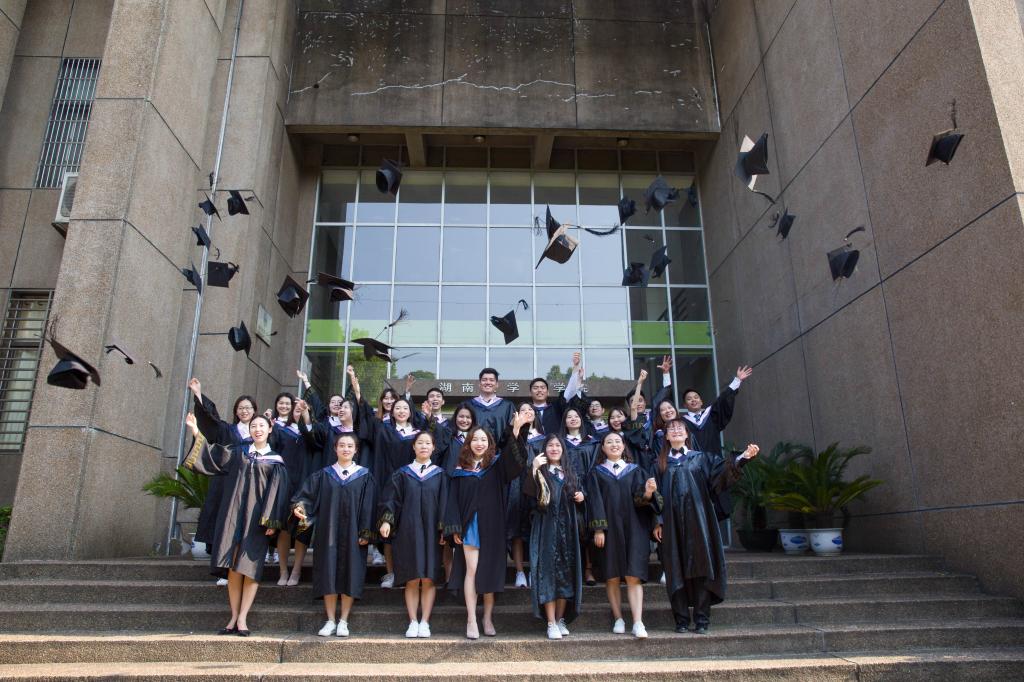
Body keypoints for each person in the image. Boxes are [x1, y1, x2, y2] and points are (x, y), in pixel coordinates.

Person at [182, 412, 290, 636]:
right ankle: (233, 616)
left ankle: (243, 618)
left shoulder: (275, 461)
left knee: (250, 569)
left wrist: (272, 521)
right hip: (233, 517)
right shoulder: (238, 452)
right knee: (233, 567)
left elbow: (277, 493)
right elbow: (213, 456)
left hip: (257, 521)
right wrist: (195, 431)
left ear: (270, 429)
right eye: (254, 426)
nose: (257, 429)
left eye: (261, 426)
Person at [655, 419, 758, 634]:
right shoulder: (659, 463)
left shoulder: (701, 458)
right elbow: (653, 496)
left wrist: (742, 457)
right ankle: (681, 620)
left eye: (680, 428)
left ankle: (702, 619)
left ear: (687, 435)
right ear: (666, 437)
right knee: (675, 569)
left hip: (698, 522)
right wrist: (658, 522)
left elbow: (722, 473)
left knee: (701, 567)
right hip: (671, 525)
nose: (675, 431)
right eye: (671, 429)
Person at [445, 413, 529, 639]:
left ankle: (487, 617)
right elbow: (452, 500)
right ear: (468, 443)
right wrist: (454, 527)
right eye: (475, 439)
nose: (479, 443)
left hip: (493, 525)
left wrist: (516, 431)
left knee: (489, 570)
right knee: (472, 570)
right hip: (469, 526)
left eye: (484, 439)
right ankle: (471, 619)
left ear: (489, 443)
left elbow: (516, 463)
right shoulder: (460, 470)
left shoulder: (496, 466)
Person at [291, 432, 377, 638]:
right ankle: (330, 620)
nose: (346, 449)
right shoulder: (323, 475)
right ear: (335, 449)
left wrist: (365, 531)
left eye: (350, 446)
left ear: (356, 450)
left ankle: (344, 620)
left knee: (351, 573)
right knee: (327, 572)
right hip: (327, 532)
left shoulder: (364, 476)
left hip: (354, 534)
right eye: (342, 445)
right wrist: (299, 506)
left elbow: (369, 507)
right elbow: (305, 496)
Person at [586, 431, 661, 639]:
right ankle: (618, 618)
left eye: (617, 441)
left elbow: (643, 500)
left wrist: (648, 492)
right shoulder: (596, 473)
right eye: (609, 442)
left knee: (633, 575)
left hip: (634, 528)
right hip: (609, 529)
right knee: (612, 575)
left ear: (623, 446)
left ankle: (638, 622)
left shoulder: (636, 471)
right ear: (602, 448)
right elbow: (594, 501)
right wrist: (598, 529)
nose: (614, 444)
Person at [187, 378, 257, 586]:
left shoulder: (261, 432)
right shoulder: (227, 430)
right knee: (226, 527)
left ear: (255, 411)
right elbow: (211, 421)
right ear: (236, 411)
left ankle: (245, 569)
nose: (244, 411)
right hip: (227, 485)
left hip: (251, 486)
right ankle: (223, 570)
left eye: (248, 407)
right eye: (241, 408)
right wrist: (198, 394)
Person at [378, 430, 447, 638]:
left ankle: (425, 622)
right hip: (408, 531)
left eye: (428, 443)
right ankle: (413, 621)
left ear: (433, 448)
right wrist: (387, 520)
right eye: (420, 443)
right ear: (413, 447)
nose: (424, 446)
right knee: (411, 578)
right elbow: (391, 500)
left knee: (428, 578)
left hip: (431, 533)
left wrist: (444, 529)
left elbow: (445, 504)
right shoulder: (402, 474)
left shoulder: (440, 475)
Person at [523, 433, 584, 640]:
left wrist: (582, 496)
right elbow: (529, 499)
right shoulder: (540, 472)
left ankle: (559, 619)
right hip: (546, 528)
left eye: (558, 445)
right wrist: (533, 469)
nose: (554, 449)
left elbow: (580, 496)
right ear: (544, 450)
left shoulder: (570, 473)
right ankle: (550, 622)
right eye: (550, 445)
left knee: (566, 574)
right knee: (547, 574)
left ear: (563, 450)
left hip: (568, 531)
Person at [680, 365, 754, 521]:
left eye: (696, 397)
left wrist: (737, 381)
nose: (693, 400)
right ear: (685, 406)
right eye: (689, 399)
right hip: (693, 470)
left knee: (716, 510)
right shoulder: (682, 424)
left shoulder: (711, 415)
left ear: (701, 401)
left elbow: (723, 402)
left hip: (714, 468)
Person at [507, 403, 546, 589]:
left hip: (536, 486)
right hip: (515, 485)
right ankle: (520, 571)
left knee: (535, 529)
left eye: (531, 410)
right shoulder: (512, 435)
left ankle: (533, 570)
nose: (527, 413)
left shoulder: (543, 439)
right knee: (516, 529)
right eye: (523, 410)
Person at [528, 351, 583, 434]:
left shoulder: (556, 407)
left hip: (555, 442)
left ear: (548, 392)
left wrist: (576, 367)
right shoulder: (526, 411)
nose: (539, 390)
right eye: (535, 388)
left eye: (542, 388)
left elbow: (569, 391)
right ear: (530, 393)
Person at [461, 368, 516, 440]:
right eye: (484, 380)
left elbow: (513, 431)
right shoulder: (468, 405)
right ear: (479, 384)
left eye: (491, 380)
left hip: (500, 447)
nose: (488, 382)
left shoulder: (507, 406)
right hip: (474, 446)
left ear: (497, 384)